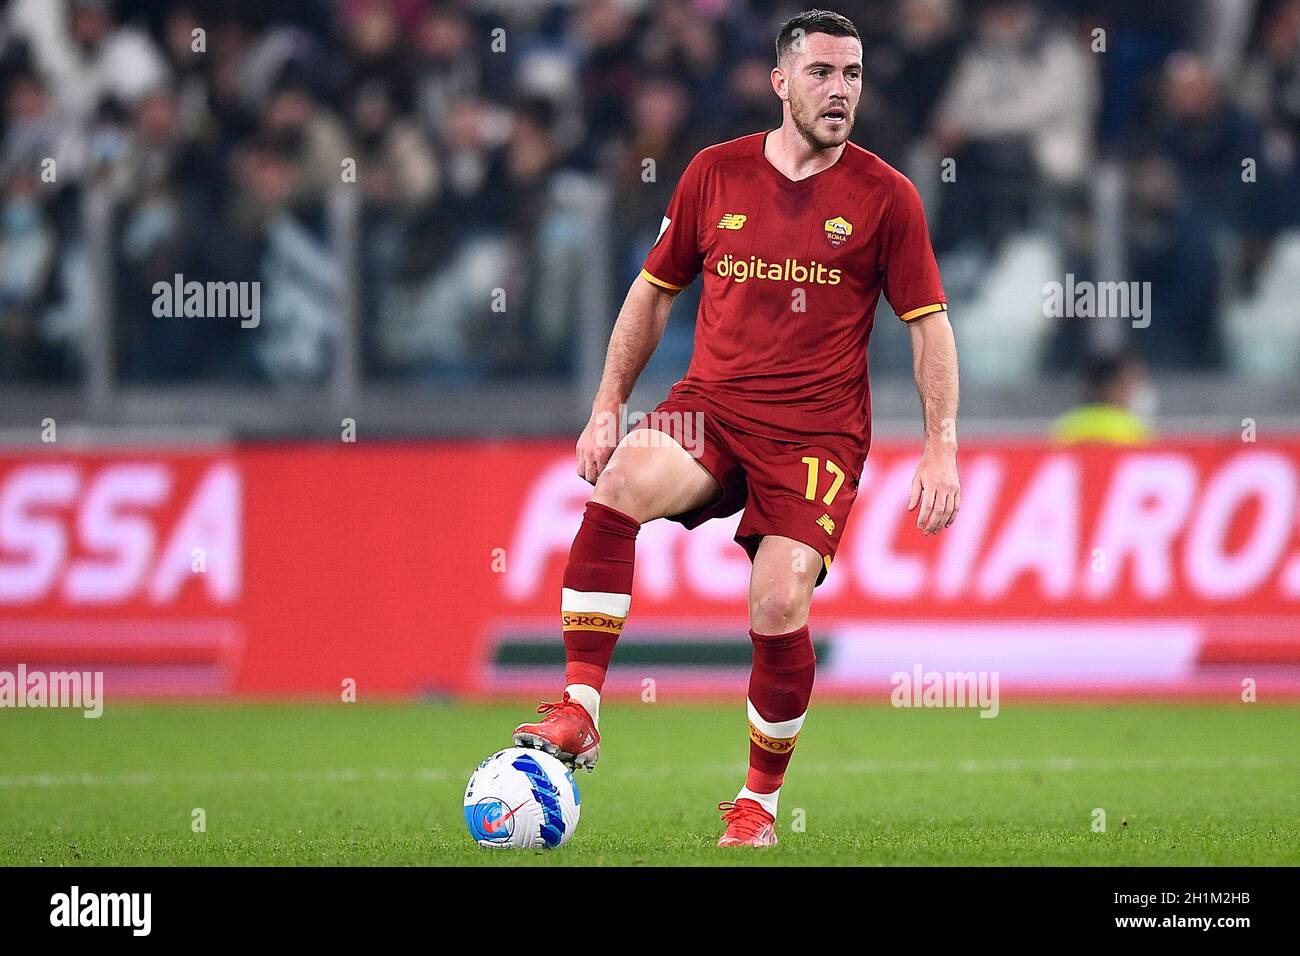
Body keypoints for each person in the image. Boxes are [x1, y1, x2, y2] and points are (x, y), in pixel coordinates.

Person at [510, 9, 961, 848]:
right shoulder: (714, 174)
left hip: (818, 435)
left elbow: (929, 325)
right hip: (713, 405)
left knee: (780, 599)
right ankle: (579, 709)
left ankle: (757, 803)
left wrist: (941, 446)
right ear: (780, 82)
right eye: (823, 73)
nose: (841, 90)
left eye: (853, 74)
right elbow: (653, 293)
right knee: (619, 485)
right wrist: (609, 402)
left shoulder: (886, 196)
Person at [1052, 354, 1155, 445]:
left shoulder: (1066, 427)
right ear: (1111, 387)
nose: (1132, 390)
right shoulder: (1136, 432)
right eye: (1128, 384)